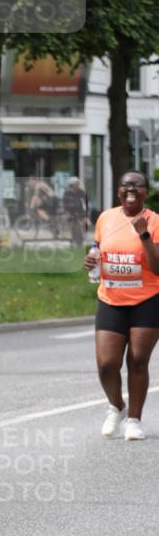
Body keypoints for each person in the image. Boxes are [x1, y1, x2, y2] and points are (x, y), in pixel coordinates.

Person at [84, 170, 159, 441]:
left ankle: (134, 420)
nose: (131, 189)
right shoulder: (106, 218)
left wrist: (144, 235)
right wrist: (91, 260)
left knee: (137, 361)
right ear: (118, 191)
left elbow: (158, 268)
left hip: (147, 300)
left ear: (146, 192)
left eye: (137, 185)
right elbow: (97, 248)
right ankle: (116, 406)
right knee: (106, 364)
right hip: (111, 299)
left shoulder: (155, 221)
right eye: (126, 185)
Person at [62, 176, 88, 247]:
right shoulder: (67, 193)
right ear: (72, 185)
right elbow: (64, 204)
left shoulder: (82, 192)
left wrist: (86, 214)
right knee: (72, 223)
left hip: (80, 211)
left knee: (84, 222)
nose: (78, 185)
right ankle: (72, 238)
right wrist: (66, 212)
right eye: (77, 184)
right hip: (70, 211)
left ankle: (81, 238)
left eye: (78, 183)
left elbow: (86, 203)